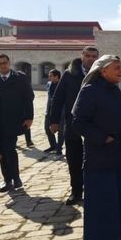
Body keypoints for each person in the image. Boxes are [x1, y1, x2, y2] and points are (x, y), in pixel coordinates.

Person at [72, 55, 121, 240]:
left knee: (116, 197)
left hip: (117, 154)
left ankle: (119, 235)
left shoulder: (115, 91)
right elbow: (78, 122)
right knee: (99, 200)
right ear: (103, 71)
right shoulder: (90, 91)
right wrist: (103, 138)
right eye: (117, 68)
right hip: (98, 156)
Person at [50, 46, 99, 205]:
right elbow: (58, 98)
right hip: (73, 124)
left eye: (94, 56)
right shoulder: (69, 74)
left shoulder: (100, 74)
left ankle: (94, 190)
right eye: (88, 55)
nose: (91, 59)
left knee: (94, 159)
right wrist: (54, 121)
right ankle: (76, 191)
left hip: (94, 124)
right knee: (74, 159)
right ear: (82, 56)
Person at [0, 53, 34, 192]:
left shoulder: (20, 78)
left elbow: (29, 98)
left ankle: (15, 178)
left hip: (15, 120)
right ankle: (8, 180)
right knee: (2, 150)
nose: (3, 65)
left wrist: (29, 117)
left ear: (9, 63)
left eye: (5, 62)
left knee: (9, 149)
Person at [44, 69, 64, 155]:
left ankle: (59, 148)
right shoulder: (49, 84)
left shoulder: (62, 85)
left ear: (56, 76)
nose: (49, 77)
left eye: (51, 76)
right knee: (47, 128)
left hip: (60, 111)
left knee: (61, 131)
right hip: (49, 110)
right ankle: (53, 145)